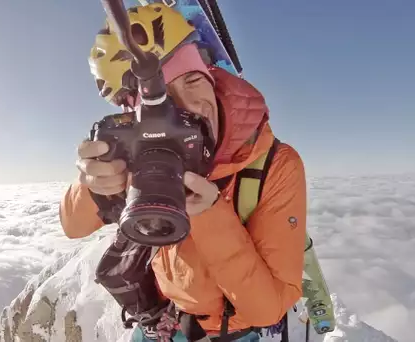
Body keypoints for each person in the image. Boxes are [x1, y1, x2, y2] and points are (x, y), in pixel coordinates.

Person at [59, 4, 307, 341]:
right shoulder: (139, 150)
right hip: (163, 319)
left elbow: (266, 309)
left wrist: (208, 213)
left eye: (192, 80)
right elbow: (73, 226)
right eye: (164, 103)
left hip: (233, 331)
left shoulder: (274, 165)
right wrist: (92, 184)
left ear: (211, 76)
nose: (188, 105)